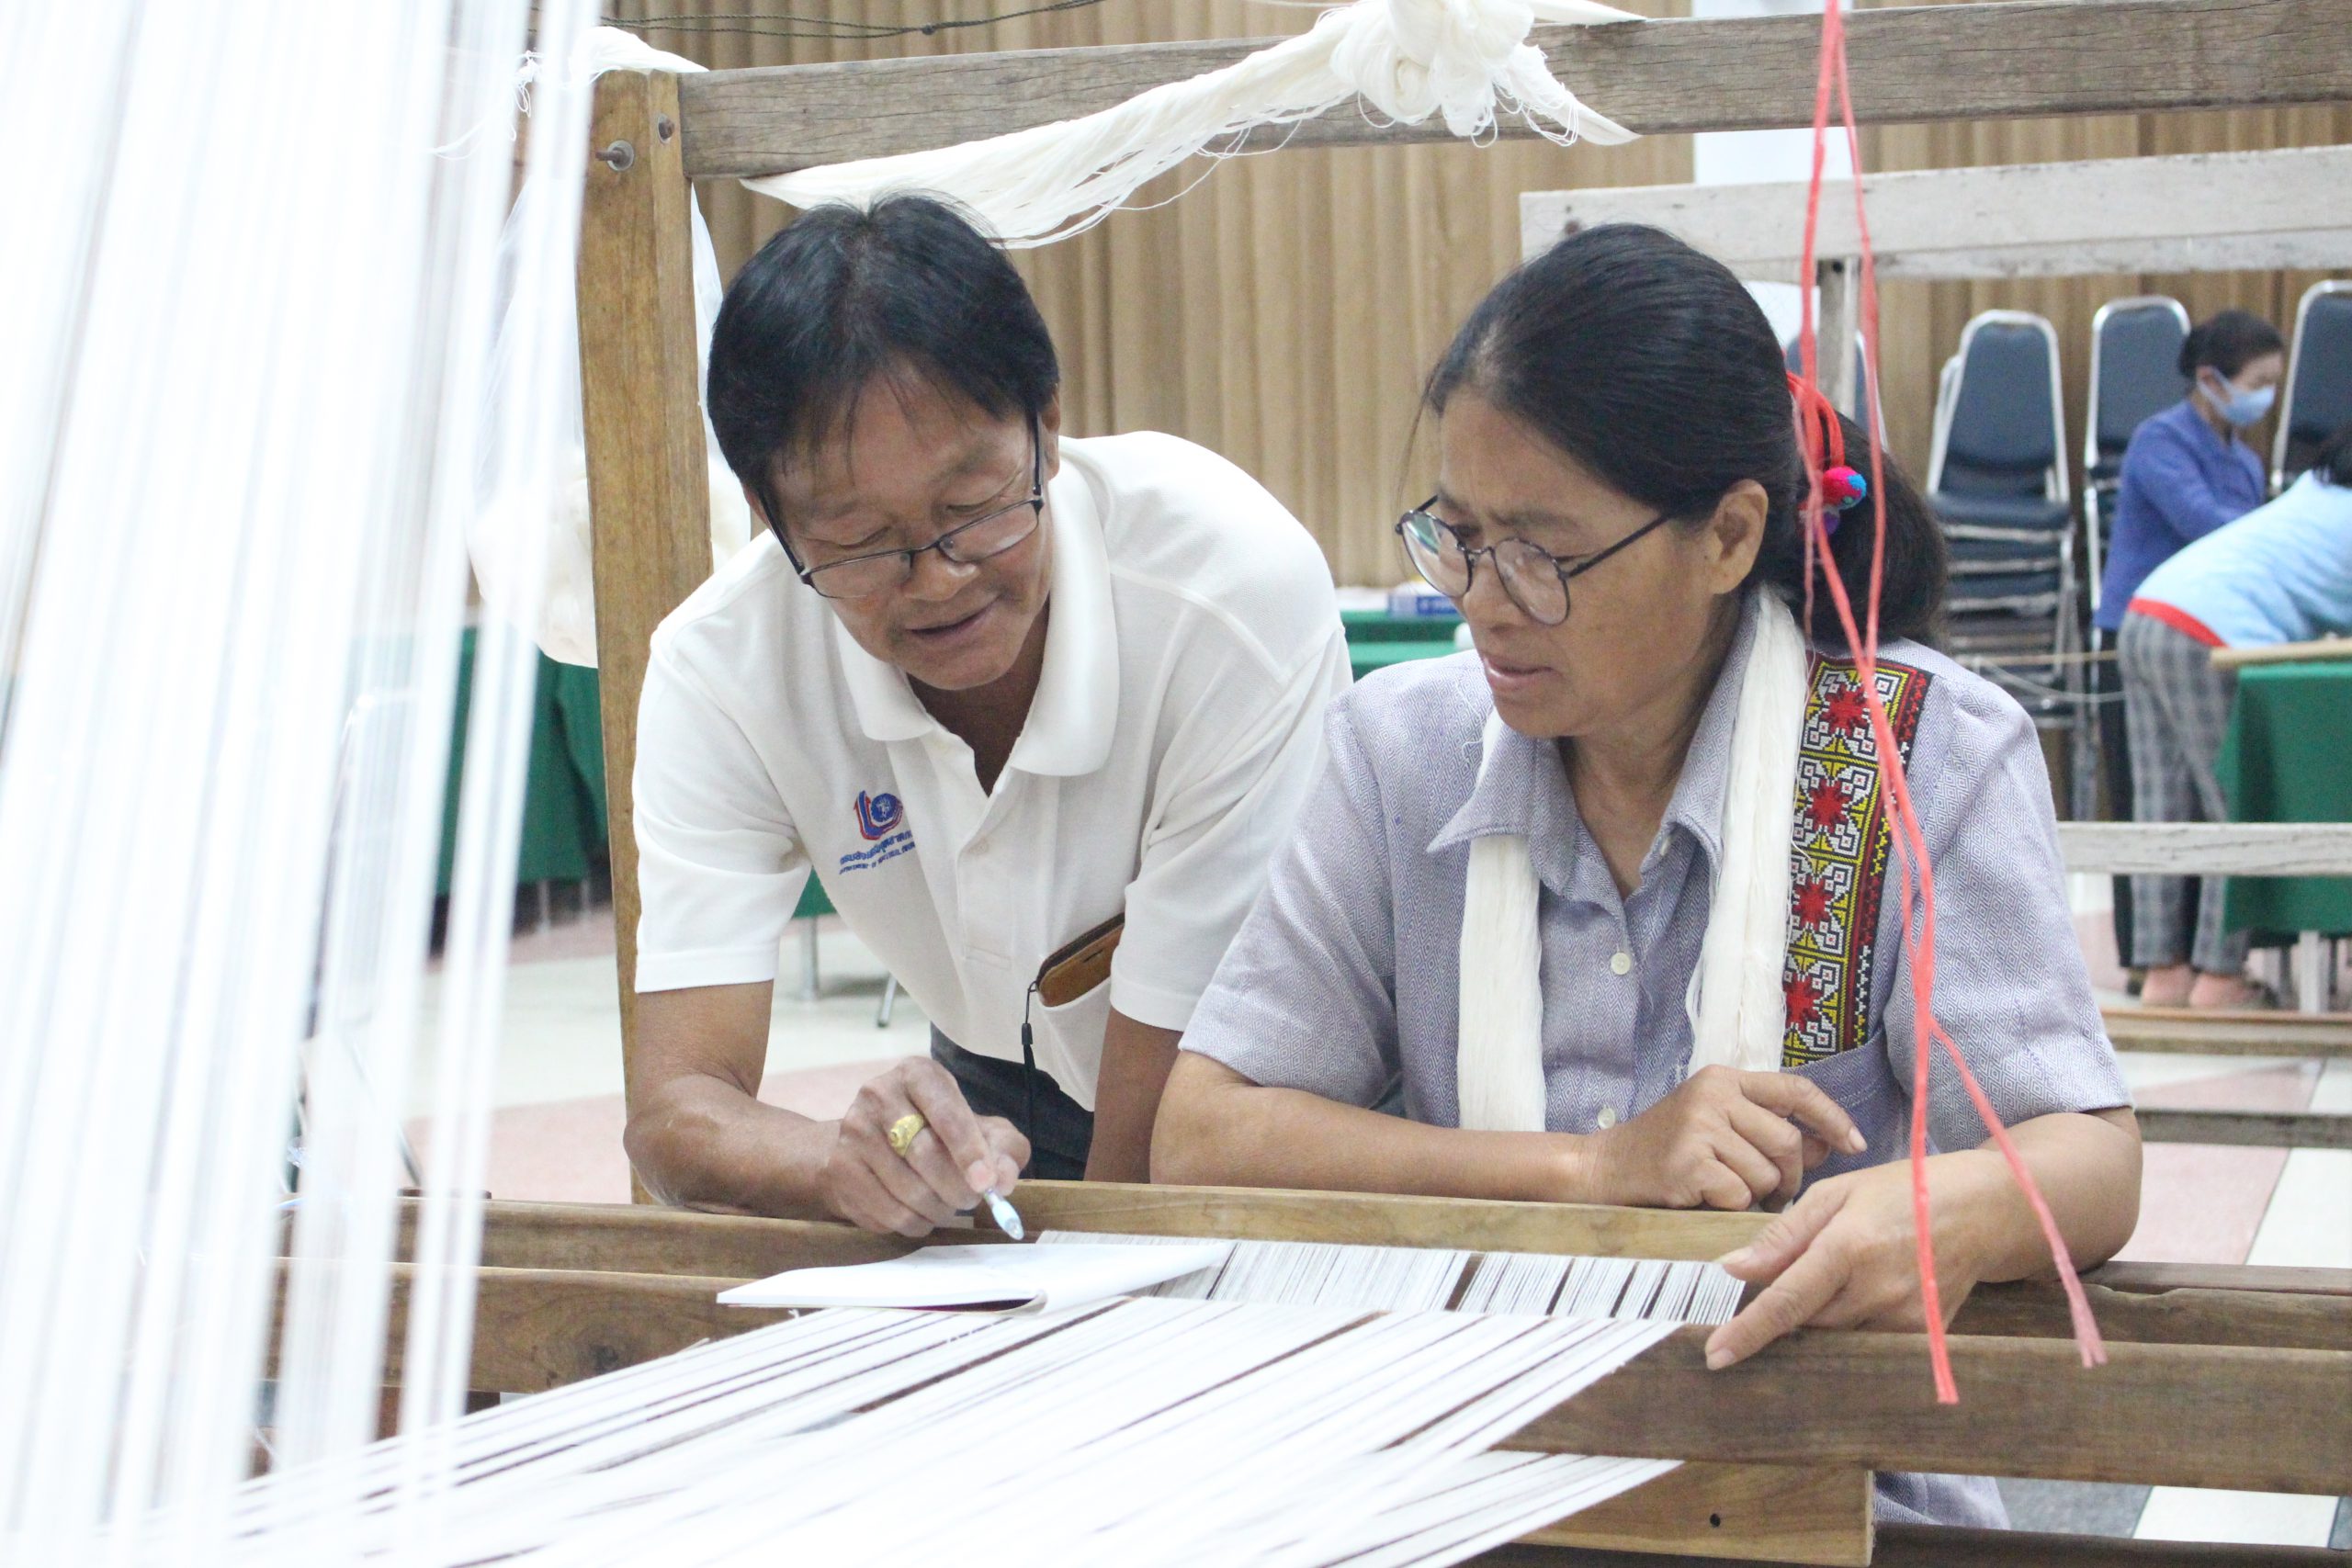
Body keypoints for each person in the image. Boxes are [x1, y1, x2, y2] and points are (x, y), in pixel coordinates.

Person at [1154, 224, 2142, 1529]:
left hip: (1834, 1487)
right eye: (1460, 536)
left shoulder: (1918, 758)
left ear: (1728, 536)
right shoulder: (1406, 757)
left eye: (1541, 554)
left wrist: (1935, 1209)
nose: (1483, 600)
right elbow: (1204, 1136)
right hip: (1466, 1473)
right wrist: (1588, 1170)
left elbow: (2090, 1160)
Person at [624, 196, 1349, 1235]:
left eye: (972, 507)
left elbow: (1158, 1155)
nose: (937, 580)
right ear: (767, 515)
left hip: (1244, 1101)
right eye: (860, 541)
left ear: (1046, 428)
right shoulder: (723, 667)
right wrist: (837, 1162)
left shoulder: (1225, 594)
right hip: (989, 1085)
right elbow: (675, 1112)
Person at [2117, 421, 2352, 1009]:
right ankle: (2220, 977)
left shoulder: (2314, 490)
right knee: (2236, 805)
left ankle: (2163, 972)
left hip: (2147, 612)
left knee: (2160, 811)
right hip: (2211, 637)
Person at [2090, 310, 2282, 980]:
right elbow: (2209, 525)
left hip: (2214, 636)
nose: (2267, 397)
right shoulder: (2159, 440)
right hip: (2143, 631)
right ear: (2209, 379)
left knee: (2201, 793)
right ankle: (2158, 961)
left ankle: (2197, 963)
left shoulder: (2246, 461)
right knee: (2154, 796)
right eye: (2257, 382)